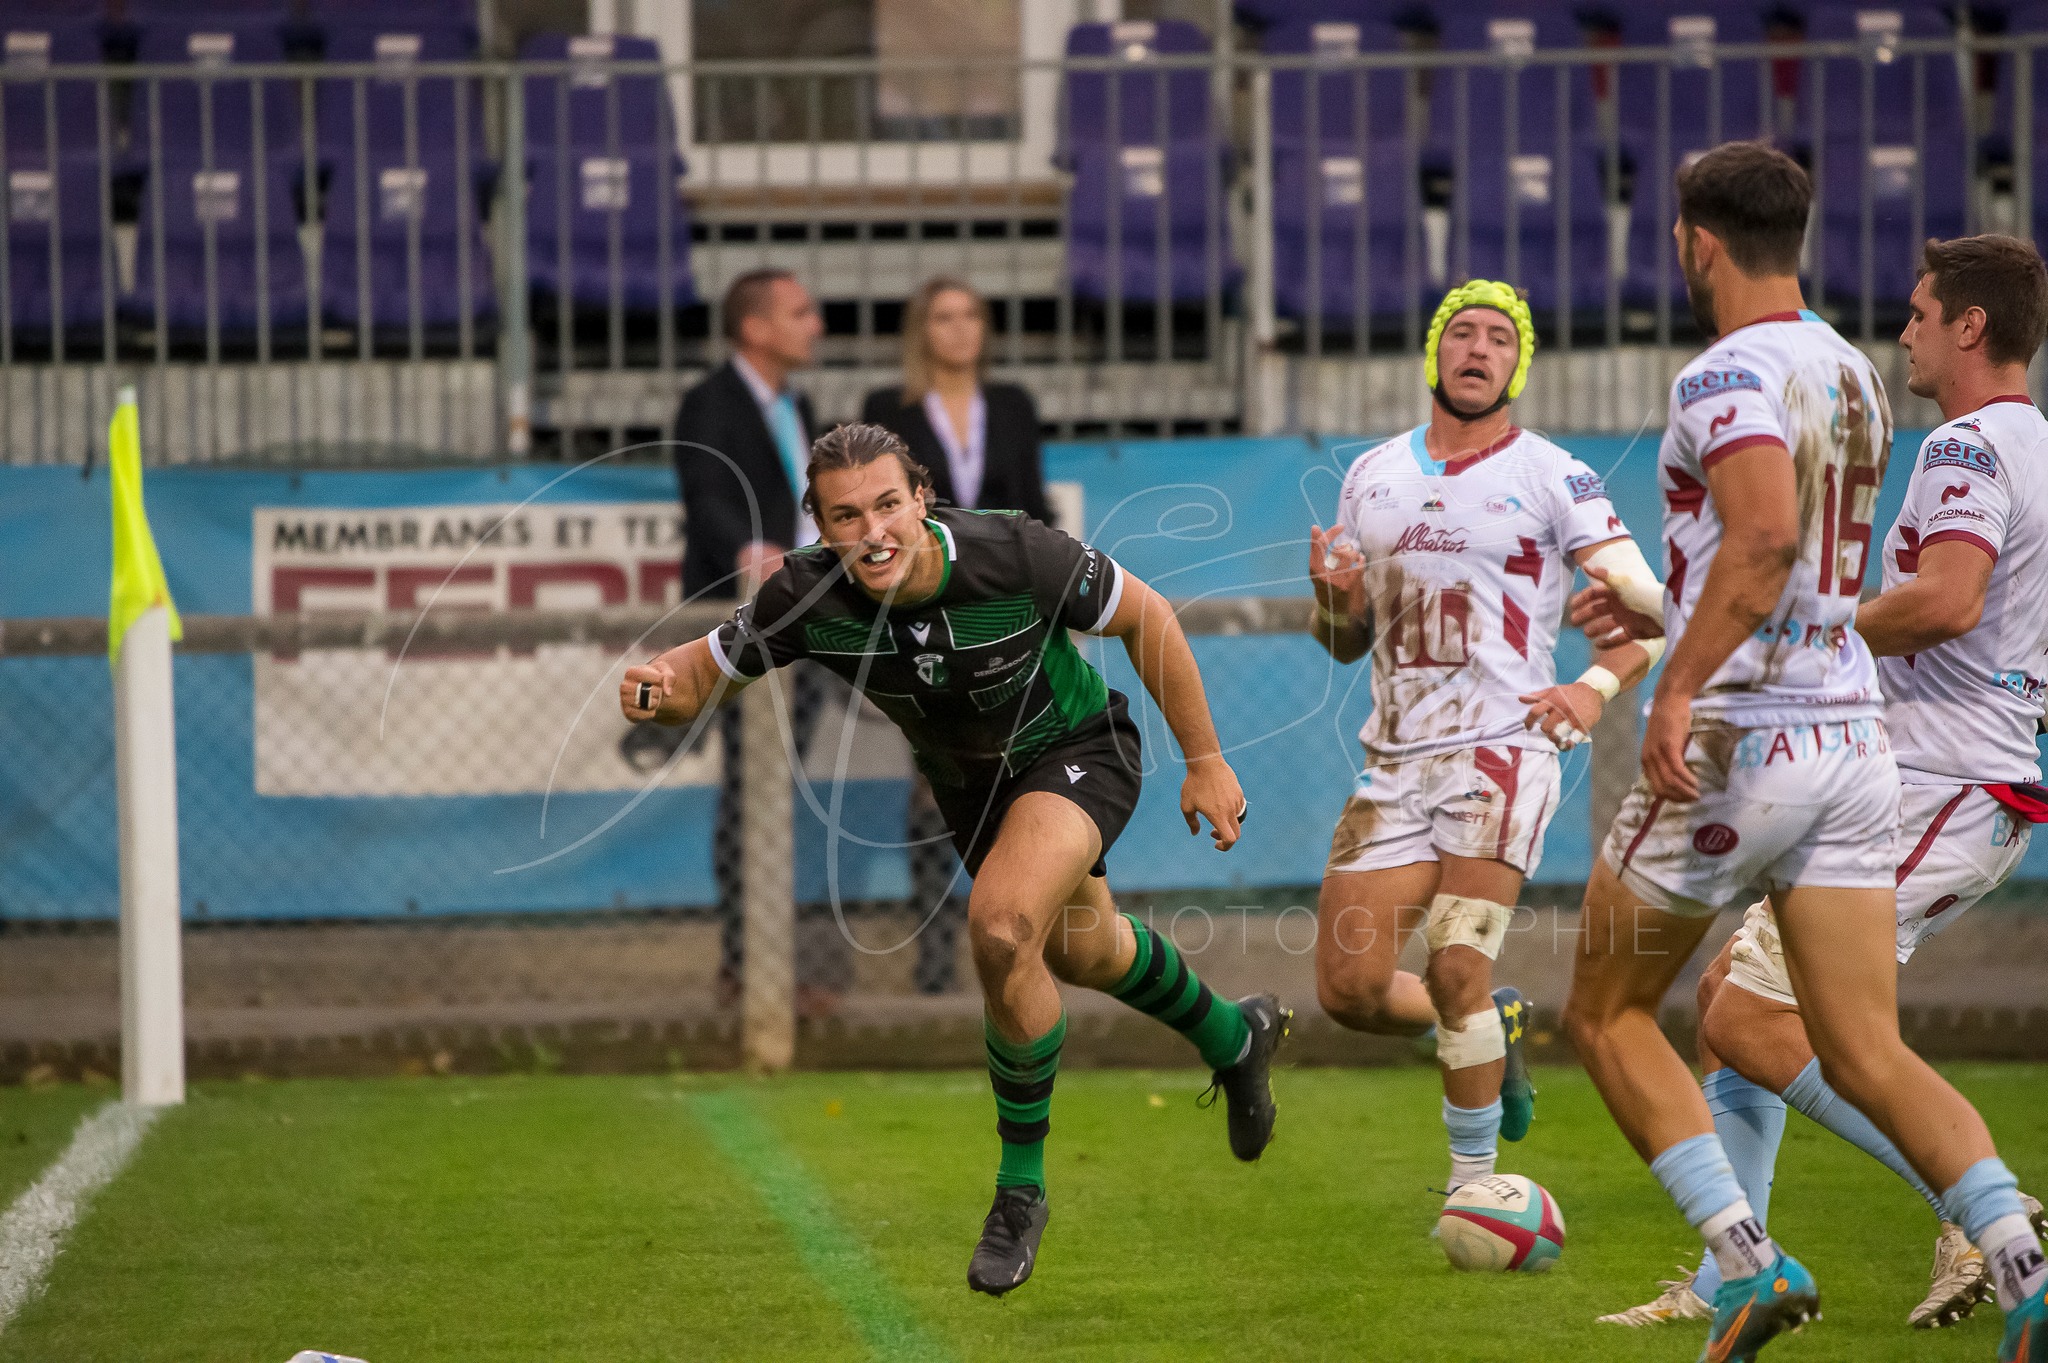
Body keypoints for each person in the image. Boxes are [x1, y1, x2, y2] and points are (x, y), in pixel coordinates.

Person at [1558, 141, 2048, 1363]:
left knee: (1606, 1010)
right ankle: (2022, 1268)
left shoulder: (1723, 374)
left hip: (1753, 737)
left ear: (1695, 242)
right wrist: (1680, 607)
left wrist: (1671, 686)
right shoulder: (1850, 375)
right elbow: (1805, 572)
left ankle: (1743, 1263)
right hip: (1855, 750)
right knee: (1848, 1042)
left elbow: (1767, 540)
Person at [620, 423, 1289, 1297]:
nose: (873, 531)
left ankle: (1020, 1192)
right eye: (847, 515)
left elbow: (1146, 615)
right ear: (820, 528)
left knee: (1003, 926)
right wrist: (655, 689)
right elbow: (694, 672)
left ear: (922, 498)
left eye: (889, 504)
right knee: (1083, 952)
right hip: (974, 795)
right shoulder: (806, 593)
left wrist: (1205, 760)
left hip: (1077, 748)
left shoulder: (1013, 551)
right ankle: (1236, 1037)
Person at [1306, 279, 1665, 1203]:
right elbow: (1347, 638)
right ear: (1433, 354)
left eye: (1499, 339)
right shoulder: (1371, 475)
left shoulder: (1554, 475)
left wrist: (1593, 689)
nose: (1478, 349)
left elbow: (1660, 614)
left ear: (1520, 364)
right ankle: (1489, 1028)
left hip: (1503, 755)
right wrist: (1332, 601)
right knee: (1347, 988)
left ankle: (1474, 1189)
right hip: (1393, 764)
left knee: (1457, 961)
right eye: (1461, 333)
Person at [860, 277, 1055, 992]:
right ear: (921, 330)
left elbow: (1031, 505)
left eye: (972, 315)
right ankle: (937, 944)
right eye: (943, 317)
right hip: (922, 618)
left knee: (1024, 777)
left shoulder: (1013, 406)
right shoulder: (890, 411)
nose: (960, 329)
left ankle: (1018, 931)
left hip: (1002, 609)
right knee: (935, 780)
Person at [665, 268, 849, 1014]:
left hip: (802, 617)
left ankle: (763, 967)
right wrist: (749, 549)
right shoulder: (709, 402)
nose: (816, 324)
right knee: (752, 790)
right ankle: (748, 971)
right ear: (755, 328)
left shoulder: (797, 405)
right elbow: (705, 496)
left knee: (774, 789)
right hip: (742, 625)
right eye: (800, 312)